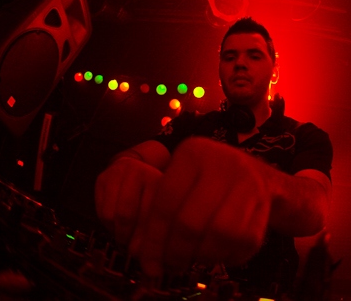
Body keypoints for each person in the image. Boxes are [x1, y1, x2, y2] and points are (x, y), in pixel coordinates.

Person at [95, 18, 332, 296]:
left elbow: (317, 208)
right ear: (219, 71)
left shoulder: (305, 136)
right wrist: (125, 169)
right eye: (229, 57)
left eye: (254, 56)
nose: (240, 63)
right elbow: (134, 158)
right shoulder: (191, 126)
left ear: (275, 72)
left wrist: (260, 182)